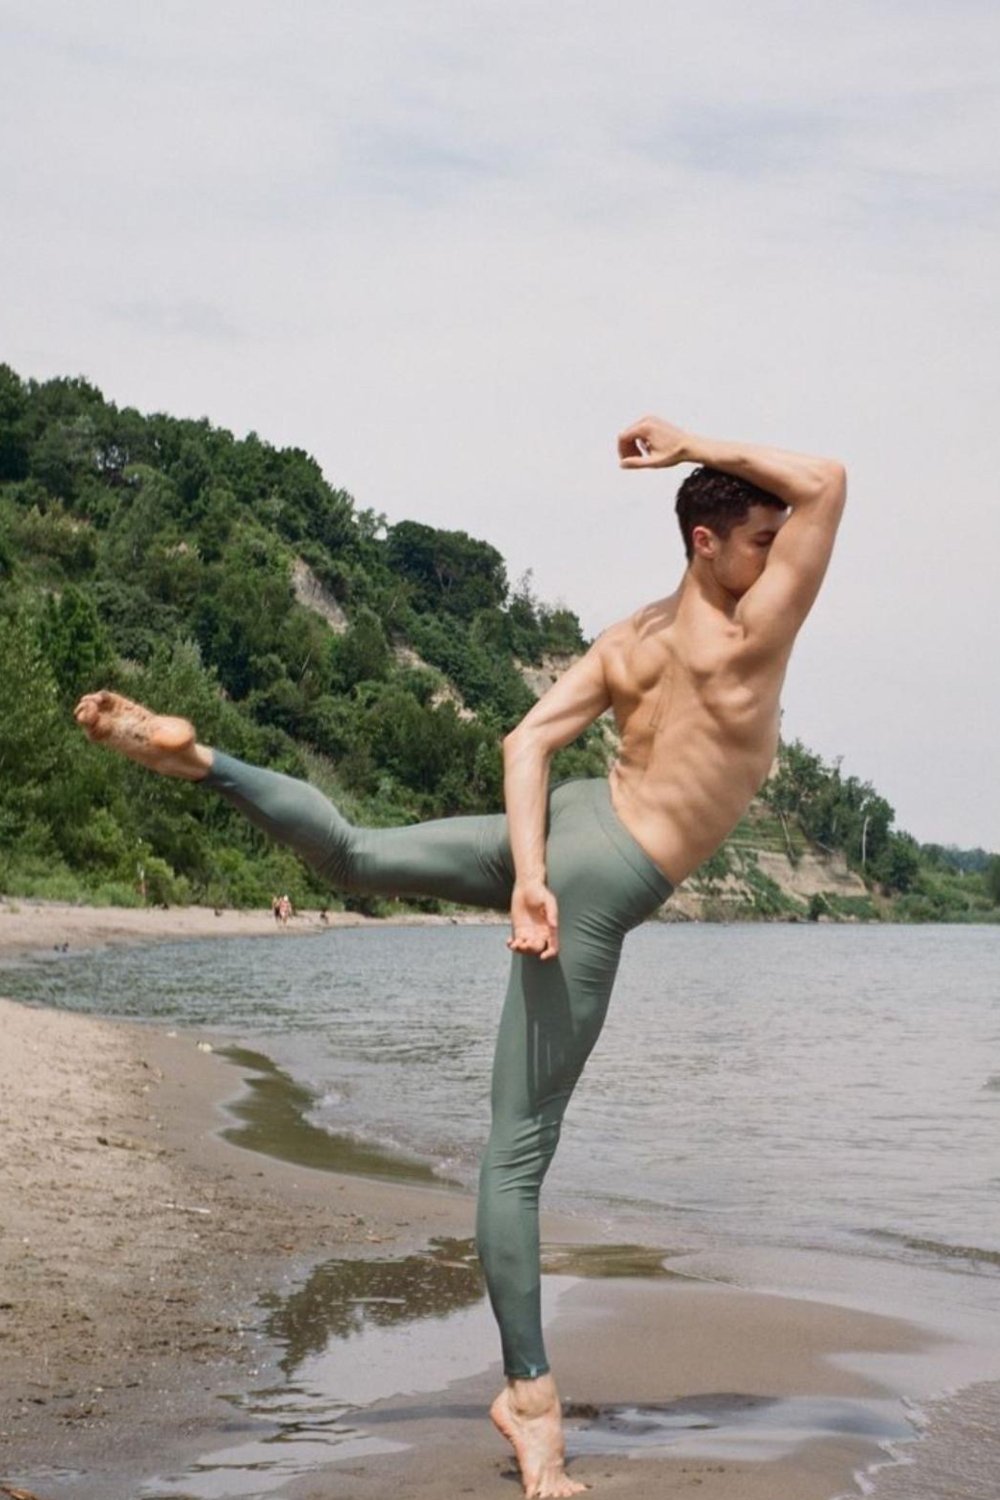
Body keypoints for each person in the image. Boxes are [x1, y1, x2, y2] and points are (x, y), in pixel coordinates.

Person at [74, 414, 845, 1499]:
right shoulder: (755, 628)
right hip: (604, 875)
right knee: (517, 1152)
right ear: (708, 543)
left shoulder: (630, 639)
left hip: (569, 828)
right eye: (759, 539)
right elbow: (827, 478)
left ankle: (208, 763)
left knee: (349, 854)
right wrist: (689, 444)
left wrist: (526, 870)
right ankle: (530, 1402)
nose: (777, 556)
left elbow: (525, 742)